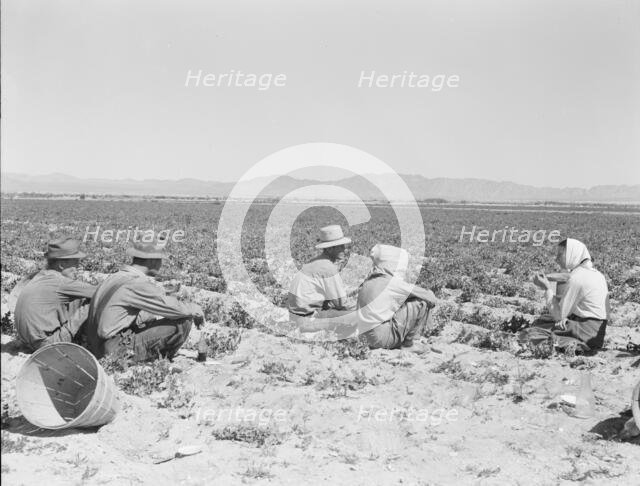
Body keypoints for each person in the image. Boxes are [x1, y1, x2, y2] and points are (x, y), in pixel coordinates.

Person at [85, 240, 204, 361]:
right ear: (152, 260)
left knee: (149, 316)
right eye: (160, 260)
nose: (161, 264)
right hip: (113, 349)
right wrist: (195, 309)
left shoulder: (115, 277)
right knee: (183, 322)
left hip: (95, 345)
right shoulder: (137, 283)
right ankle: (160, 360)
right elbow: (170, 307)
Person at [525, 238, 610, 352]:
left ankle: (575, 344)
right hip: (595, 331)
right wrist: (548, 277)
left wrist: (547, 288)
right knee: (544, 321)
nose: (556, 259)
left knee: (532, 333)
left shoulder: (577, 278)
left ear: (572, 255)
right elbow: (567, 277)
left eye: (560, 255)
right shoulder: (594, 273)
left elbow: (558, 315)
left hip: (586, 331)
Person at [15, 237, 96, 351]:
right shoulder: (61, 282)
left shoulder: (40, 276)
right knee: (93, 301)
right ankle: (92, 345)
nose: (78, 267)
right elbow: (100, 292)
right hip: (47, 345)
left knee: (74, 299)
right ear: (62, 265)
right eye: (75, 262)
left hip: (26, 341)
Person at [356, 244, 437, 349]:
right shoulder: (392, 283)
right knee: (420, 303)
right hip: (379, 339)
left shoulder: (369, 281)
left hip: (363, 337)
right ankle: (409, 344)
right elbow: (430, 296)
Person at [287, 225, 356, 327]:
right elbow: (341, 303)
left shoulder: (315, 262)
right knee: (358, 315)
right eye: (340, 247)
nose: (344, 250)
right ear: (329, 250)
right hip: (308, 319)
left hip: (294, 316)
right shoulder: (328, 268)